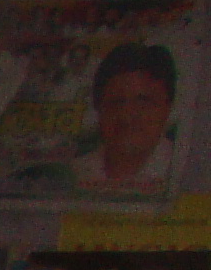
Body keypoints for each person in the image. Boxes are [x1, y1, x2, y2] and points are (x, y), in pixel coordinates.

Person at [69, 40, 180, 194]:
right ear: (98, 108)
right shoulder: (73, 173)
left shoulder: (184, 169)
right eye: (116, 102)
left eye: (143, 102)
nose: (127, 116)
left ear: (168, 107)